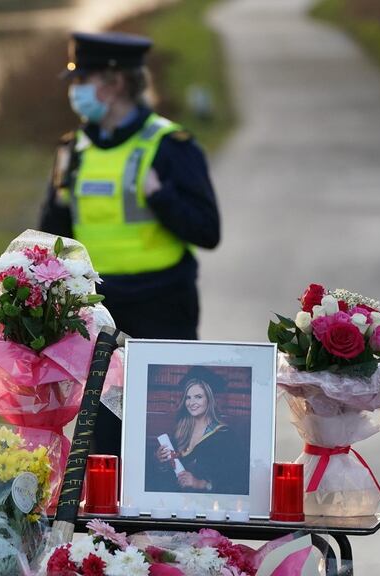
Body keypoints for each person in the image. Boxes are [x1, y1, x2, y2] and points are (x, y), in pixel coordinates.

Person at [38, 31, 221, 456]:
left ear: (115, 82)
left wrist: (162, 196)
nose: (75, 91)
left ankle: (166, 523)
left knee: (169, 429)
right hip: (98, 312)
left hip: (162, 308)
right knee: (101, 438)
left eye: (83, 80)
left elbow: (208, 231)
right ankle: (107, 526)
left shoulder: (169, 145)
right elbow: (50, 238)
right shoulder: (73, 150)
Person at [153, 367, 247, 494]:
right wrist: (161, 461)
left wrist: (200, 484)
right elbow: (170, 476)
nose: (191, 402)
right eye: (188, 397)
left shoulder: (225, 436)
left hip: (207, 506)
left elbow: (237, 481)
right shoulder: (181, 431)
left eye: (198, 397)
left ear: (209, 399)